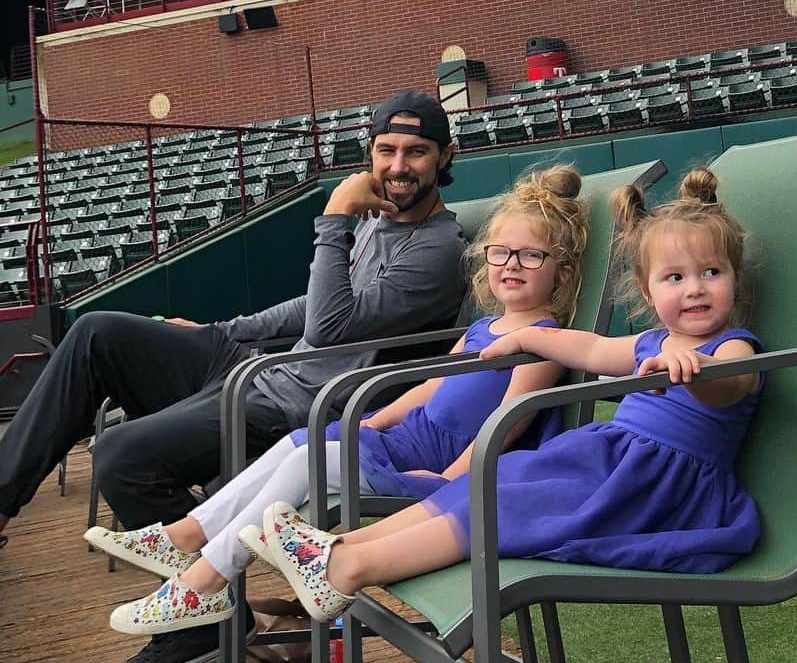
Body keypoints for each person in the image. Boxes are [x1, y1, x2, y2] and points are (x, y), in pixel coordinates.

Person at [0, 89, 468, 663]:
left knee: (123, 456)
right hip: (264, 370)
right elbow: (311, 307)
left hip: (303, 404)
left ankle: (201, 620)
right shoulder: (379, 222)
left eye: (416, 152)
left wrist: (334, 217)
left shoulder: (438, 249)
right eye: (387, 150)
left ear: (445, 156)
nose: (399, 166)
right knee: (98, 334)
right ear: (370, 152)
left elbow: (329, 325)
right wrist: (222, 330)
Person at [248, 169, 765, 623]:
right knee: (492, 480)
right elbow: (586, 345)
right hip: (607, 461)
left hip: (655, 488)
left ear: (733, 280)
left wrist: (697, 371)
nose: (694, 288)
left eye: (710, 273)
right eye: (675, 277)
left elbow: (732, 382)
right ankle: (339, 546)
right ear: (649, 292)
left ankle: (348, 570)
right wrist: (522, 337)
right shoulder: (650, 341)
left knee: (505, 506)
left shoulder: (732, 347)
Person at [97, 167, 587, 638]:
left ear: (561, 273)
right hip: (404, 438)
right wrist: (372, 421)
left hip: (438, 465)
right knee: (298, 443)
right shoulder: (482, 328)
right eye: (501, 253)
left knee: (313, 456)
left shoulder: (546, 339)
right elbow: (426, 387)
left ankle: (201, 581)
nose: (511, 266)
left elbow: (510, 423)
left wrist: (451, 478)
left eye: (531, 256)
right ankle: (187, 532)